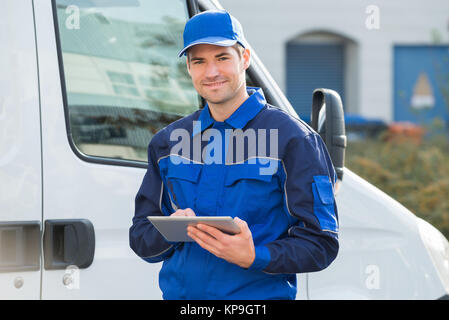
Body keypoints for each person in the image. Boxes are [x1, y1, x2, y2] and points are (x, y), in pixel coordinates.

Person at [129, 10, 339, 300]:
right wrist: (171, 230)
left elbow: (321, 243)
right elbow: (140, 236)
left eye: (222, 57)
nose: (211, 72)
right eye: (199, 61)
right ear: (189, 69)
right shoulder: (168, 143)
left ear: (245, 59)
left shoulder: (293, 139)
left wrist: (256, 256)